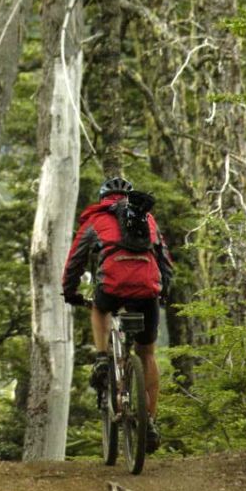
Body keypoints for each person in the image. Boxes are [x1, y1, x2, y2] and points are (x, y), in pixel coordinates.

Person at [62, 176, 173, 453]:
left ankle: (102, 358)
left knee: (99, 308)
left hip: (111, 288)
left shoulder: (95, 220)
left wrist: (70, 292)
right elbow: (165, 260)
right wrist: (164, 290)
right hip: (147, 289)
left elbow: (75, 260)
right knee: (147, 354)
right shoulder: (147, 220)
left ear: (103, 199)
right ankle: (149, 421)